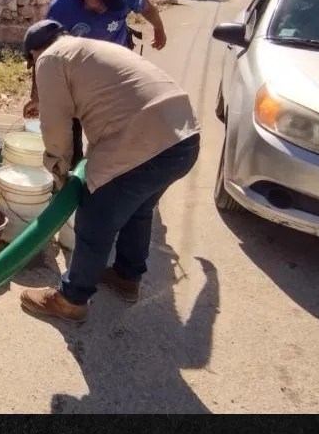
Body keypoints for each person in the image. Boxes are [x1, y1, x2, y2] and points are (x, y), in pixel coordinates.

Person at [18, 20, 200, 323]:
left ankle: (71, 299)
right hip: (184, 139)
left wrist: (59, 169)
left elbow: (55, 126)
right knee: (139, 208)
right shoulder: (89, 48)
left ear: (34, 53)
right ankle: (127, 276)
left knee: (95, 214)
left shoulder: (49, 58)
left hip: (143, 142)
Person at [22, 0, 168, 119]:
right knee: (71, 117)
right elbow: (43, 53)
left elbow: (147, 9)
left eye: (111, 2)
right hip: (78, 71)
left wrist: (159, 29)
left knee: (116, 119)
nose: (105, 8)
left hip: (116, 65)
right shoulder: (62, 8)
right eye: (101, 0)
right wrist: (37, 97)